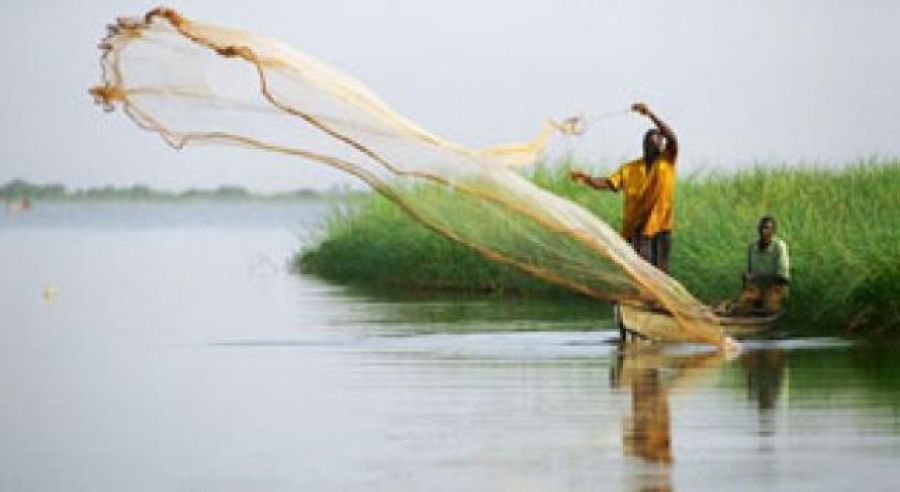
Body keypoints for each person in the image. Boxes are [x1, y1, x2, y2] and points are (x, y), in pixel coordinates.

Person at [570, 103, 678, 273]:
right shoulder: (630, 169)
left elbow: (672, 137)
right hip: (639, 226)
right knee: (645, 268)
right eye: (652, 139)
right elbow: (607, 183)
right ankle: (644, 299)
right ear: (645, 145)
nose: (657, 141)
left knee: (663, 269)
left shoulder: (667, 160)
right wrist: (586, 178)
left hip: (662, 224)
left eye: (659, 139)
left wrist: (650, 114)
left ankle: (660, 300)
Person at [737, 216, 790, 315]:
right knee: (743, 305)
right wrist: (746, 278)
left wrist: (765, 280)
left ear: (773, 231)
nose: (764, 231)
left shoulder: (779, 246)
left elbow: (783, 277)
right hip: (757, 285)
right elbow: (749, 270)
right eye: (762, 228)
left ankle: (767, 308)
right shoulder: (752, 246)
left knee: (770, 308)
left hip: (774, 286)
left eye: (767, 228)